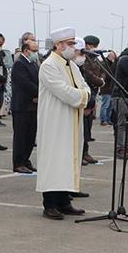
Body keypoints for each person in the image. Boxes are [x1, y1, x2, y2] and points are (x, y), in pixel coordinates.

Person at [36, 27, 91, 220]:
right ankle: (49, 204)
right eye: (70, 44)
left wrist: (83, 95)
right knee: (54, 160)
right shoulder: (49, 65)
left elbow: (85, 87)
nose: (73, 47)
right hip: (55, 121)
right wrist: (83, 96)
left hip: (71, 119)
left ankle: (64, 201)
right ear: (58, 45)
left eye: (74, 43)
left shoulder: (72, 65)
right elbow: (63, 91)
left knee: (67, 159)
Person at [10, 38, 39, 174]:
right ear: (26, 51)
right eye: (34, 50)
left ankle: (26, 159)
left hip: (33, 106)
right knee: (21, 136)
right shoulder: (19, 64)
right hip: (22, 106)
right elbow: (24, 83)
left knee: (30, 136)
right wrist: (37, 93)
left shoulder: (33, 63)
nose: (36, 53)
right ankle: (18, 162)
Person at [77, 36, 105, 164]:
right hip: (85, 93)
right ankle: (80, 153)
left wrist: (101, 80)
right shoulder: (83, 59)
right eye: (92, 45)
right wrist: (99, 81)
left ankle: (85, 151)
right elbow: (87, 74)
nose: (94, 48)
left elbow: (102, 71)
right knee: (81, 127)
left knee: (88, 127)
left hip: (93, 92)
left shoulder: (95, 59)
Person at [98, 50, 117, 126]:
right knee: (105, 104)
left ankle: (108, 119)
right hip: (106, 87)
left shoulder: (110, 64)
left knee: (109, 105)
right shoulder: (105, 64)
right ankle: (103, 119)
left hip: (110, 88)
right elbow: (107, 75)